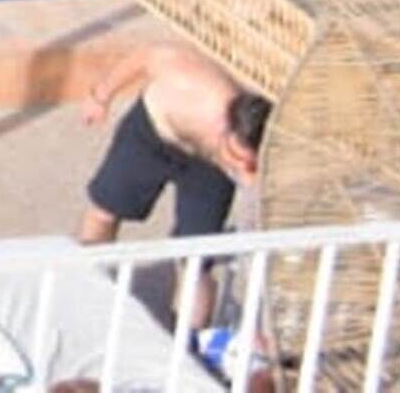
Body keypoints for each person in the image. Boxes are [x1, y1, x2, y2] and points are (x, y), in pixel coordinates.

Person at [79, 40, 269, 333]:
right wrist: (100, 96)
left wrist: (244, 174)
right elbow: (146, 53)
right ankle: (85, 290)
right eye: (239, 159)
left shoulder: (241, 155)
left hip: (206, 168)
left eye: (250, 166)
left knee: (196, 258)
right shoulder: (189, 82)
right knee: (104, 211)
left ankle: (187, 341)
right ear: (223, 125)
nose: (243, 171)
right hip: (150, 136)